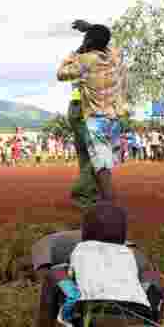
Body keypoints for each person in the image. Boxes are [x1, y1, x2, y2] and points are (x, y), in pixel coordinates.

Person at [31, 203, 164, 327]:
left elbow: (68, 285)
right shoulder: (131, 254)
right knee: (153, 278)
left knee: (55, 275)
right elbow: (151, 289)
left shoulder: (81, 250)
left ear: (83, 234)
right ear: (124, 235)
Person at [57, 24, 127, 204]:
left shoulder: (85, 60)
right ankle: (98, 197)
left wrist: (76, 52)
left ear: (88, 41)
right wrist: (92, 30)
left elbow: (61, 74)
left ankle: (102, 202)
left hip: (94, 116)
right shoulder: (114, 59)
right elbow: (110, 44)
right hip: (113, 117)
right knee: (101, 161)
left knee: (98, 163)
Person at [68, 20, 100, 206]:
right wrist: (90, 29)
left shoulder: (77, 58)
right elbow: (104, 42)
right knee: (96, 152)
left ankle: (90, 192)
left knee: (85, 154)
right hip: (86, 108)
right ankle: (83, 192)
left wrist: (89, 31)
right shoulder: (96, 60)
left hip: (75, 107)